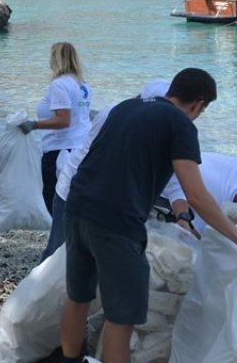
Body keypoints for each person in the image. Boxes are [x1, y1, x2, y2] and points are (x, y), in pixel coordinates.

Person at [58, 68, 237, 363]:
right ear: (197, 105)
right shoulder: (180, 124)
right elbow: (196, 194)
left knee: (78, 296)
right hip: (116, 223)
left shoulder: (127, 107)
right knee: (121, 318)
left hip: (78, 206)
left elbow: (99, 156)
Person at [40, 79, 169, 262]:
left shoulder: (144, 120)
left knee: (87, 257)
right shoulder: (116, 113)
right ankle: (34, 288)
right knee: (56, 251)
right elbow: (102, 156)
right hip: (75, 185)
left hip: (98, 192)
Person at [19, 42, 92, 214]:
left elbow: (63, 120)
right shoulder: (83, 85)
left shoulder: (59, 85)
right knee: (73, 195)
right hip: (81, 147)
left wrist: (34, 125)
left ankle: (56, 236)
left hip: (60, 150)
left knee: (53, 196)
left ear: (56, 59)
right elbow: (81, 116)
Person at [163, 137, 237, 236]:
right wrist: (183, 219)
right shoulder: (214, 205)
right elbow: (177, 193)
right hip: (166, 174)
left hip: (190, 160)